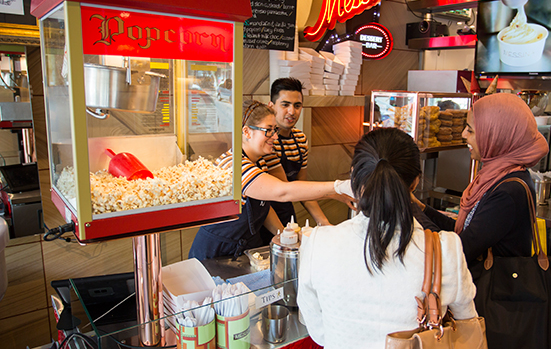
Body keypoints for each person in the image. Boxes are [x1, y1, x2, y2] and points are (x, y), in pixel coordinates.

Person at [297, 128, 477, 349]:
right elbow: (468, 327)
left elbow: (317, 330)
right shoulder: (445, 249)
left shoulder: (318, 243)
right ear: (415, 183)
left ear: (354, 175)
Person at [188, 100, 354, 261]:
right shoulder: (234, 165)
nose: (275, 136)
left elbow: (263, 206)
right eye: (268, 130)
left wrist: (283, 235)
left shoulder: (259, 161)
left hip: (243, 249)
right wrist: (338, 187)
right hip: (216, 253)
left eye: (275, 129)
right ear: (246, 132)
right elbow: (282, 191)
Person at [412, 93, 549, 264]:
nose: (463, 135)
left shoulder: (508, 191)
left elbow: (462, 250)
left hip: (494, 286)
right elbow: (463, 231)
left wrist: (413, 212)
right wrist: (421, 207)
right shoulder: (496, 175)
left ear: (497, 136)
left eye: (470, 130)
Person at [260, 78, 330, 244]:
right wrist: (283, 234)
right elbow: (284, 189)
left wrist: (325, 224)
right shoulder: (265, 141)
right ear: (271, 106)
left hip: (286, 215)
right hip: (262, 217)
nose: (291, 111)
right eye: (285, 105)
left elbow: (302, 186)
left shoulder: (301, 139)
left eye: (297, 105)